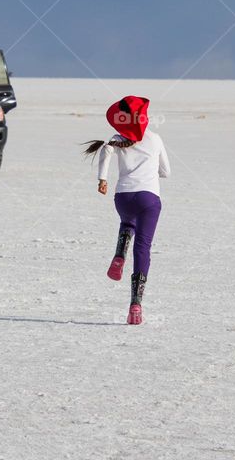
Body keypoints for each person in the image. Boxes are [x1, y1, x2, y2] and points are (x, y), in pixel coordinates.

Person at [83, 95, 170, 325]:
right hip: (149, 198)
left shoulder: (116, 138)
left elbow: (106, 151)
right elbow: (166, 172)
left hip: (122, 197)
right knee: (143, 248)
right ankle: (135, 305)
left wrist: (102, 179)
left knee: (128, 221)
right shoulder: (155, 139)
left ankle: (120, 254)